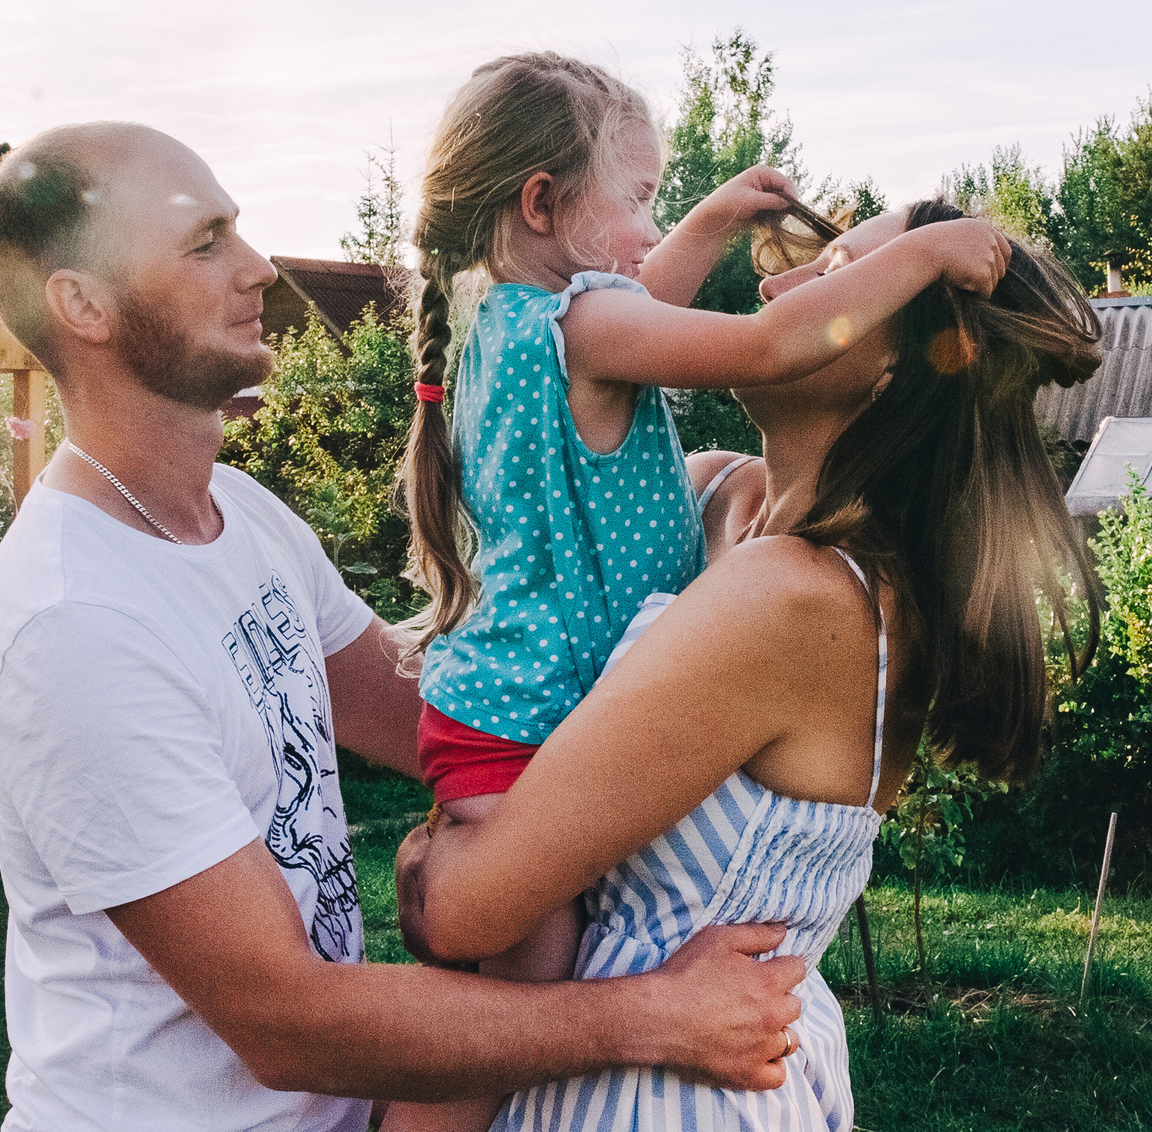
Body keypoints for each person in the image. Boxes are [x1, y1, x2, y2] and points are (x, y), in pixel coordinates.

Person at [0, 121, 808, 1132]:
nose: (258, 267)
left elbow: (426, 716)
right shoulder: (75, 622)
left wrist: (675, 568)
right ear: (82, 304)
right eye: (204, 242)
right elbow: (285, 1023)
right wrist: (653, 1017)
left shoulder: (243, 517)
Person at [387, 55, 1011, 1132]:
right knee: (508, 990)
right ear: (544, 203)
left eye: (846, 275)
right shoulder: (623, 381)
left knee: (507, 971)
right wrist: (920, 254)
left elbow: (452, 905)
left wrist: (722, 219)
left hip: (674, 1088)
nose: (785, 283)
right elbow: (751, 338)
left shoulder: (545, 340)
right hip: (522, 729)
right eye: (637, 202)